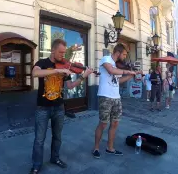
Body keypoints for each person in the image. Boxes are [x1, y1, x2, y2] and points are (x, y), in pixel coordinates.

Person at [30, 39, 94, 174]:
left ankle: (55, 158)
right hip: (42, 107)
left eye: (65, 53)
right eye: (60, 52)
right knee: (39, 139)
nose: (63, 55)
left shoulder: (65, 66)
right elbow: (35, 73)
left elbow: (70, 86)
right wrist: (56, 70)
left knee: (57, 136)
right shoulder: (42, 63)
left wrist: (83, 76)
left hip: (59, 107)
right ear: (53, 50)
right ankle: (36, 165)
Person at [92, 43, 141, 159]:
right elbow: (110, 70)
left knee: (115, 123)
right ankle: (96, 148)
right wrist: (127, 71)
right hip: (105, 96)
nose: (125, 57)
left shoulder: (119, 66)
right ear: (118, 53)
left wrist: (132, 75)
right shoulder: (106, 59)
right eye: (124, 54)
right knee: (103, 123)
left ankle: (110, 148)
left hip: (116, 97)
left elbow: (118, 81)